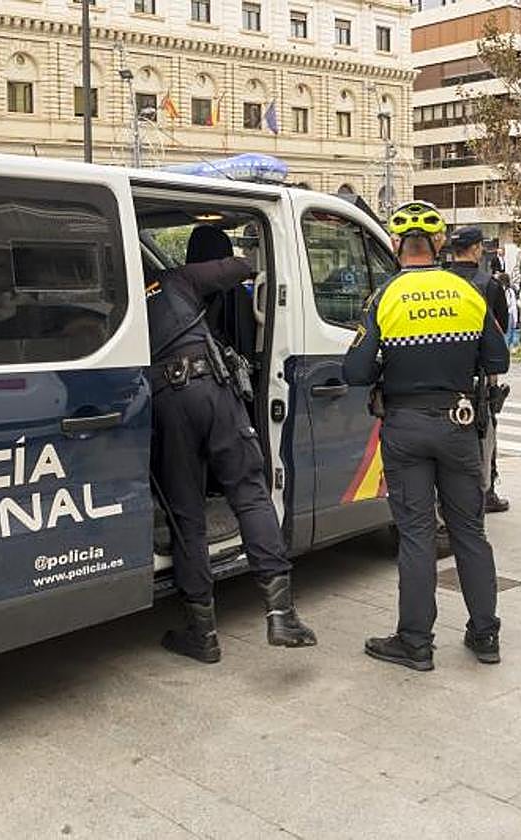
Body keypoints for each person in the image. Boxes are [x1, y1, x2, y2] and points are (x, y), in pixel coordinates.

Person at [343, 201, 509, 670]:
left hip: (405, 428)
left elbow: (353, 370)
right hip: (458, 425)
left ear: (397, 245)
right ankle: (485, 636)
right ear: (438, 245)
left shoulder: (385, 298)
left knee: (416, 535)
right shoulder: (467, 293)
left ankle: (415, 642)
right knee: (470, 532)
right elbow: (497, 361)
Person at [146, 225, 316, 663]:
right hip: (209, 386)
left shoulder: (129, 297)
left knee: (186, 517)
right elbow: (240, 267)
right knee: (248, 491)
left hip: (166, 403)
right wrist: (242, 258)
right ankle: (281, 613)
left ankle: (203, 635)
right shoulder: (180, 278)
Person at [447, 227, 510, 513]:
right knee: (485, 433)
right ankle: (486, 492)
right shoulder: (489, 285)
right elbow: (499, 334)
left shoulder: (440, 281)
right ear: (475, 249)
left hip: (445, 372)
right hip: (479, 374)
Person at [503, 275, 521, 350]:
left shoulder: (507, 291)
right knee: (508, 333)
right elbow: (513, 306)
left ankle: (505, 348)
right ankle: (507, 348)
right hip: (509, 313)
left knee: (505, 333)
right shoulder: (510, 291)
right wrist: (515, 319)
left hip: (504, 313)